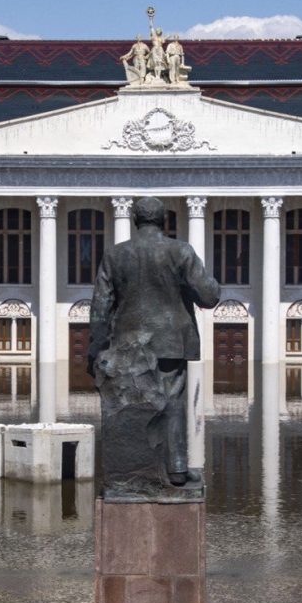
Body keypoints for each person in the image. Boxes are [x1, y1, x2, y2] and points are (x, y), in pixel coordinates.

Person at [89, 197, 220, 489]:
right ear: (164, 221)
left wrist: (95, 347)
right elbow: (209, 296)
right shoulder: (180, 251)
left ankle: (129, 471)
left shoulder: (115, 255)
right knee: (172, 401)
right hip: (171, 340)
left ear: (135, 221)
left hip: (128, 346)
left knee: (132, 406)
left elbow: (100, 305)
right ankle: (176, 469)